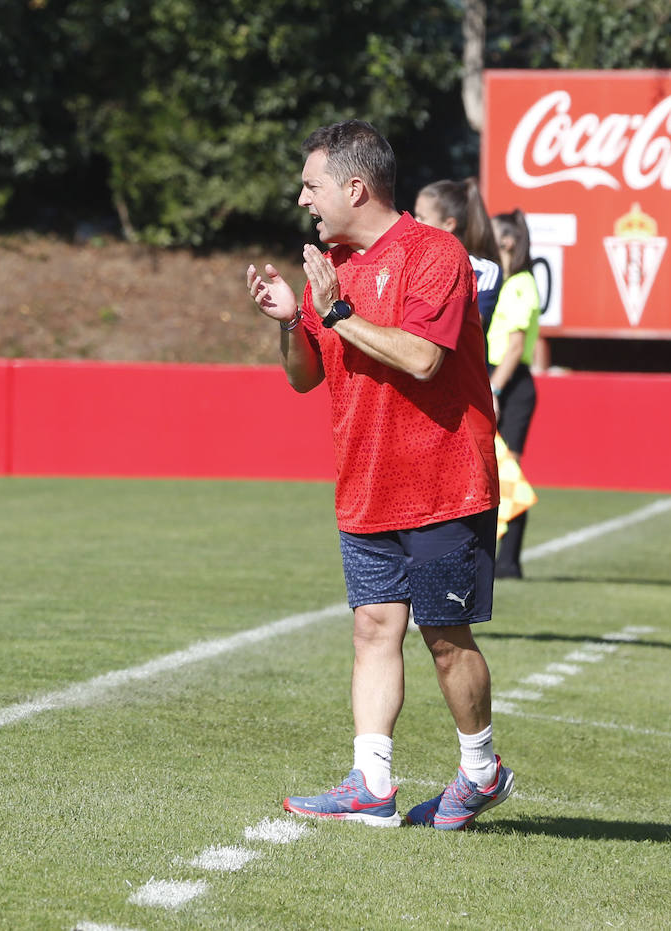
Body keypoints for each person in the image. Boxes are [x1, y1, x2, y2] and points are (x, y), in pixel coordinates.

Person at [243, 119, 514, 830]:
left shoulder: (436, 253)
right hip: (363, 483)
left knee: (445, 634)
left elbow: (423, 357)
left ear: (355, 187)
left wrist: (334, 310)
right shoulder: (332, 268)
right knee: (372, 627)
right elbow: (305, 376)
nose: (303, 199)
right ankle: (371, 780)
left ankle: (480, 771)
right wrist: (287, 318)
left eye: (313, 185)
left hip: (442, 482)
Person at [486, 209, 541, 579]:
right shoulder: (504, 281)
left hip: (510, 382)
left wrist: (494, 389)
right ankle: (498, 557)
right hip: (497, 379)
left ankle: (510, 561)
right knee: (493, 470)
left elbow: (515, 344)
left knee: (508, 471)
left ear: (506, 241)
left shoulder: (521, 283)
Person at [413, 178, 501, 336]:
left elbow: (469, 325)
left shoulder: (485, 271)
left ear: (449, 225)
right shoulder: (415, 263)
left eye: (422, 218)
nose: (415, 223)